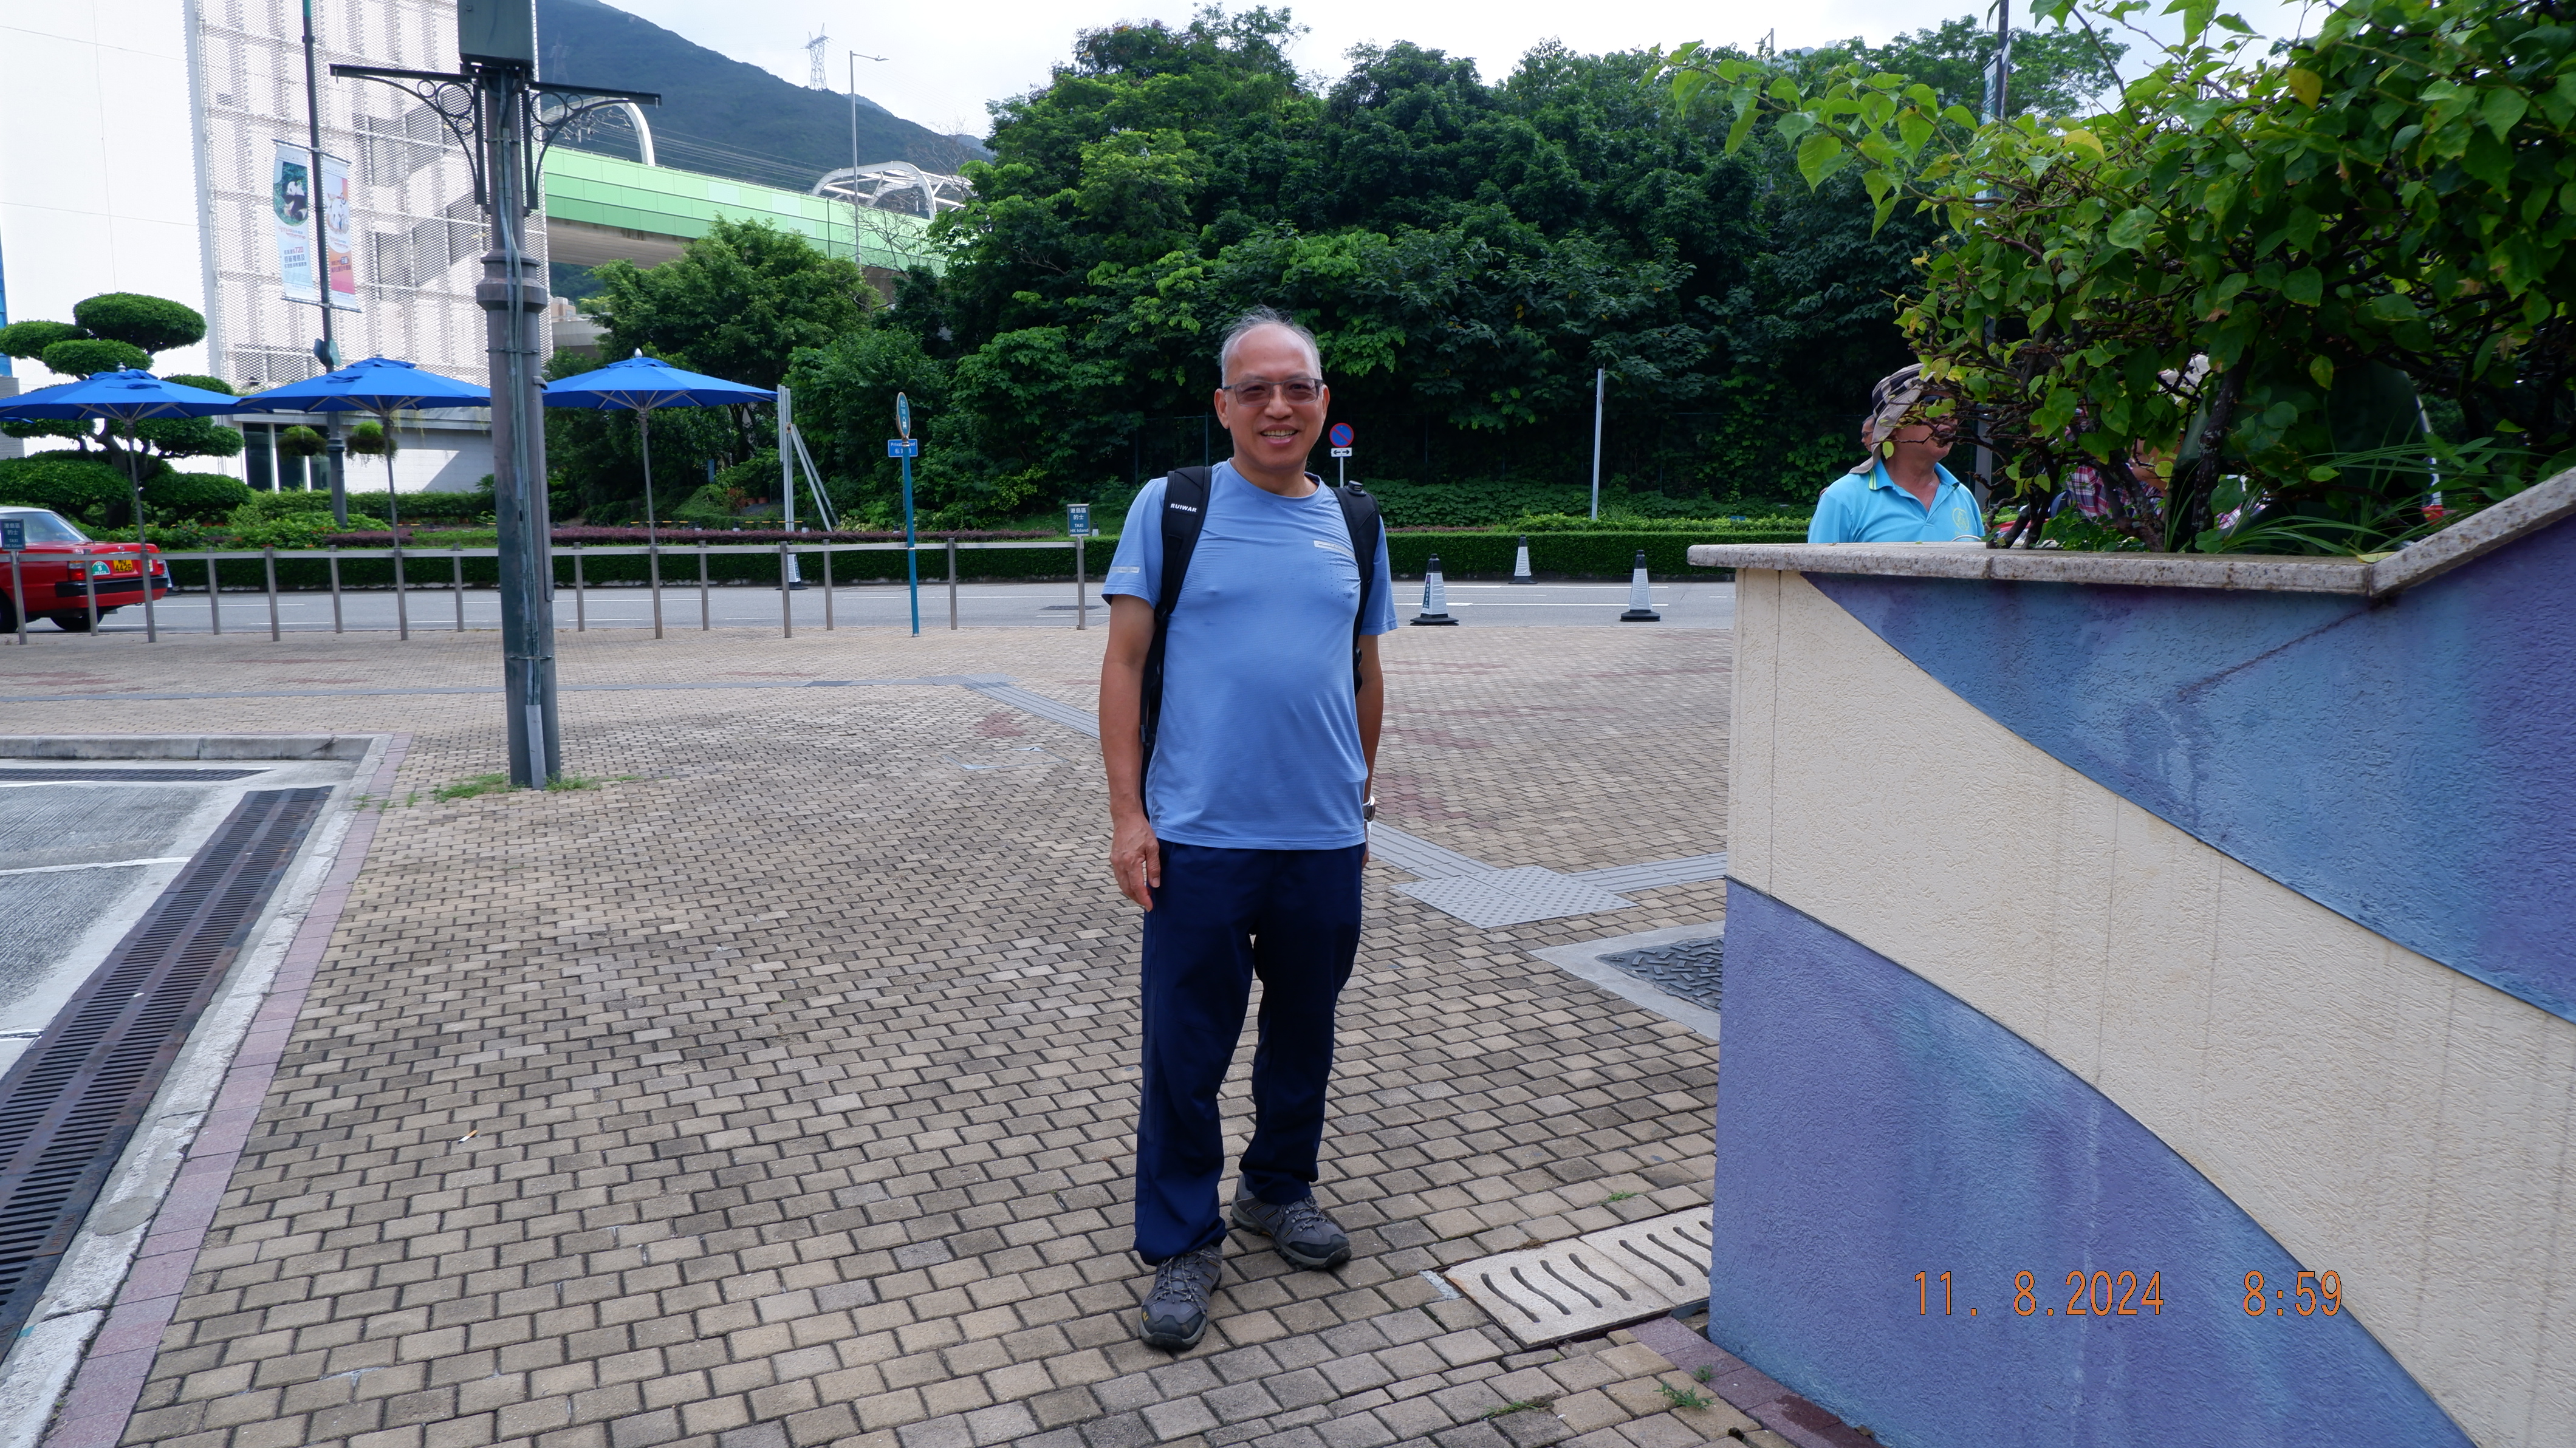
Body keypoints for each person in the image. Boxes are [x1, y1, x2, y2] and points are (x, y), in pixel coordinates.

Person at [1097, 307, 1399, 1351]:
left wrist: (1360, 803)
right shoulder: (1173, 506)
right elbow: (1124, 664)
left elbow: (1365, 672)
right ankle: (1183, 1238)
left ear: (1324, 403)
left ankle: (1277, 1186)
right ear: (1224, 405)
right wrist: (1129, 817)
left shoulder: (1357, 521)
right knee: (1187, 1049)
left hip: (1321, 838)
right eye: (1256, 389)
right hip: (1199, 836)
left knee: (1304, 1032)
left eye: (1297, 387)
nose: (1279, 405)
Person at [1807, 364, 1987, 543]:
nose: (1948, 416)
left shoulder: (1963, 498)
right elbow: (1816, 563)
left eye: (1955, 407)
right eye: (1933, 403)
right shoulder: (1843, 499)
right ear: (1892, 425)